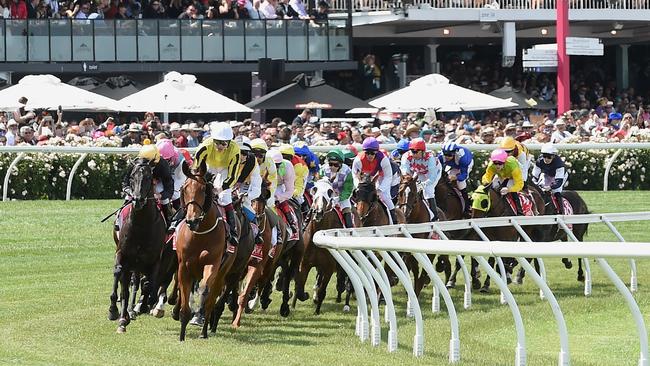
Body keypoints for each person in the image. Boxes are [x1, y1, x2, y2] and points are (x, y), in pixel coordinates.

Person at [193, 122, 242, 248]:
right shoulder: (205, 146)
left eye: (224, 143)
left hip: (225, 169)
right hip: (209, 166)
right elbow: (196, 167)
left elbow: (233, 176)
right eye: (217, 142)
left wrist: (220, 189)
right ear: (213, 140)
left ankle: (232, 230)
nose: (220, 146)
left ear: (229, 142)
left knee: (225, 197)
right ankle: (178, 220)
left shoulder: (235, 150)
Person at [122, 144, 175, 227]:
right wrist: (129, 191)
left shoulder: (162, 164)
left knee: (164, 199)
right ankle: (120, 220)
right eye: (143, 161)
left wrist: (161, 195)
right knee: (128, 197)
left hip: (157, 183)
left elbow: (169, 186)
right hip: (139, 183)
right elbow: (125, 181)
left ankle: (169, 222)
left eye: (149, 163)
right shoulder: (135, 164)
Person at [352, 137, 398, 224]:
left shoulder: (383, 159)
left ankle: (394, 221)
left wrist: (380, 189)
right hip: (367, 177)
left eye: (372, 153)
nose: (369, 156)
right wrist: (358, 186)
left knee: (385, 197)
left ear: (376, 152)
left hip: (382, 176)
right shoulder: (358, 160)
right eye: (367, 153)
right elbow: (354, 175)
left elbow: (388, 177)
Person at [233, 137, 265, 259]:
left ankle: (256, 238)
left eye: (246, 153)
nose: (243, 156)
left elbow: (256, 187)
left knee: (251, 214)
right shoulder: (227, 158)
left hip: (244, 191)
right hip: (225, 189)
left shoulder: (253, 163)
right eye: (240, 152)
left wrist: (246, 196)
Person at [400, 138, 442, 221]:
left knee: (428, 190)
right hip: (418, 171)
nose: (413, 154)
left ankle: (435, 216)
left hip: (432, 172)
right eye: (412, 151)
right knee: (406, 188)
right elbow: (405, 171)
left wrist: (422, 185)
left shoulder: (430, 158)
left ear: (422, 151)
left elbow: (432, 177)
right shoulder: (406, 156)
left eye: (416, 151)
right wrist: (407, 179)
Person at [481, 149, 524, 215]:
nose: (497, 166)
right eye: (495, 163)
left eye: (500, 163)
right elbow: (487, 177)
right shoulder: (491, 165)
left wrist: (509, 189)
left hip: (514, 176)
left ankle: (519, 211)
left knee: (509, 187)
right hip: (502, 175)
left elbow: (520, 184)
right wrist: (486, 183)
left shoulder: (511, 165)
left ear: (505, 162)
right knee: (493, 186)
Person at [269, 149, 299, 241]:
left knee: (281, 201)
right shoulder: (262, 165)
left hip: (279, 187)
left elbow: (289, 191)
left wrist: (278, 197)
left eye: (278, 165)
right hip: (267, 186)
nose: (276, 168)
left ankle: (291, 223)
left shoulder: (287, 166)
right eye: (274, 165)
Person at [320, 149, 354, 228]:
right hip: (326, 195)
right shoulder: (323, 169)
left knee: (346, 209)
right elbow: (320, 183)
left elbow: (347, 190)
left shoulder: (347, 172)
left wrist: (338, 199)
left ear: (341, 164)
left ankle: (350, 230)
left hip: (342, 195)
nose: (332, 167)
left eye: (336, 165)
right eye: (330, 164)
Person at [532, 143, 568, 215]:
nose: (546, 159)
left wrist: (550, 187)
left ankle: (561, 212)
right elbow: (535, 176)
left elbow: (558, 181)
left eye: (549, 157)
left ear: (554, 156)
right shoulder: (539, 161)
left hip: (560, 177)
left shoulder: (559, 164)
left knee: (556, 191)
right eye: (544, 156)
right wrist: (535, 183)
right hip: (547, 174)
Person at [439, 141, 473, 214]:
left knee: (461, 183)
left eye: (449, 155)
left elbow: (464, 175)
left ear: (455, 153)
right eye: (445, 154)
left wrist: (455, 177)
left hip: (464, 166)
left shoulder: (464, 158)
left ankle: (467, 207)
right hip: (453, 164)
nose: (447, 157)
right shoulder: (441, 157)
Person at [250, 138, 278, 207]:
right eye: (255, 155)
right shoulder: (246, 159)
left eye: (260, 156)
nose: (257, 158)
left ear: (265, 155)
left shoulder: (269, 161)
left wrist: (270, 195)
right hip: (249, 182)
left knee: (269, 202)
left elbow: (273, 180)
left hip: (263, 183)